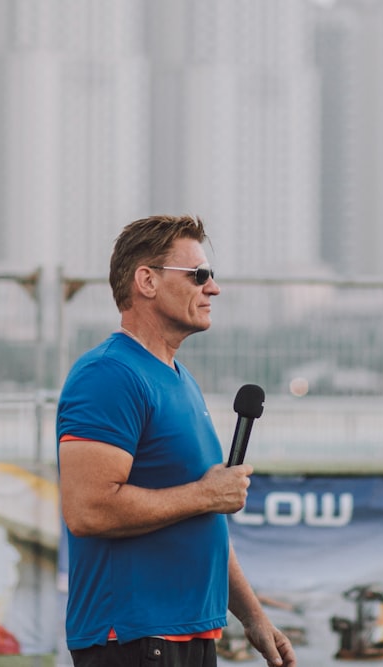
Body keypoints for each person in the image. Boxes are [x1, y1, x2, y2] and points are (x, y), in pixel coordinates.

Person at [57, 214, 297, 667]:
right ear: (146, 281)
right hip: (134, 637)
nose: (213, 288)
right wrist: (205, 493)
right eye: (198, 275)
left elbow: (200, 517)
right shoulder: (108, 374)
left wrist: (255, 618)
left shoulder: (180, 380)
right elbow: (87, 510)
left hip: (188, 633)